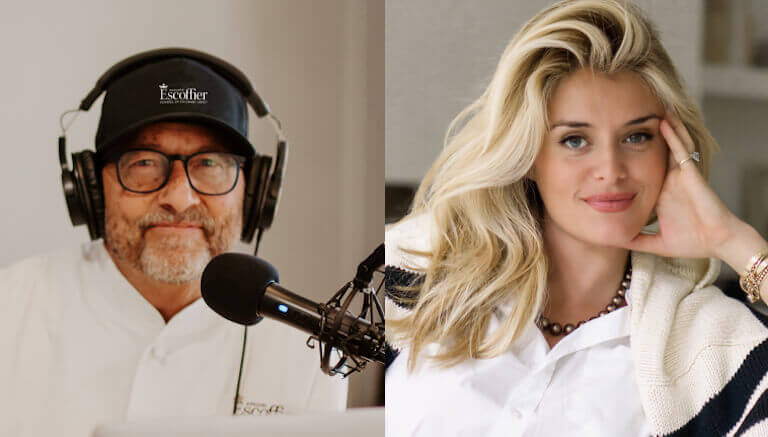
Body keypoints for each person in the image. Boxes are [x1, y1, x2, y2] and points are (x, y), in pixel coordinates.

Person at [385, 1, 768, 436]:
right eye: (574, 140)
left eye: (637, 136)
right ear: (528, 153)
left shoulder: (715, 344)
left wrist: (735, 242)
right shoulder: (413, 271)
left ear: (672, 152)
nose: (611, 168)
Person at [0, 49, 346, 437]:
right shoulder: (10, 311)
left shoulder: (309, 352)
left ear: (257, 191)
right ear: (91, 188)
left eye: (210, 163)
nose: (180, 199)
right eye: (144, 163)